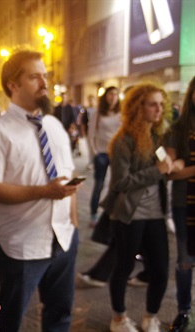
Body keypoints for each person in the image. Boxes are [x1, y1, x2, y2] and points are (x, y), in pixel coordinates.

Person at [0, 49, 80, 332]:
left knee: (61, 314)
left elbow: (68, 175)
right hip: (21, 245)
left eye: (45, 76)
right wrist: (44, 192)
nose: (44, 83)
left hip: (63, 239)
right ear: (13, 84)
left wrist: (73, 222)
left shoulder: (55, 125)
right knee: (9, 318)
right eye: (35, 77)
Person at [107, 83, 181, 332]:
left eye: (161, 104)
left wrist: (172, 167)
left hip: (156, 214)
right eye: (153, 104)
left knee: (160, 269)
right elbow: (120, 183)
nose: (159, 109)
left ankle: (151, 316)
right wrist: (155, 171)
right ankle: (118, 318)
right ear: (139, 107)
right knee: (124, 267)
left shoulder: (158, 137)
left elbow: (161, 171)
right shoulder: (123, 141)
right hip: (129, 215)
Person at [164, 76, 195, 332]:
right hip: (184, 203)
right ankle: (183, 310)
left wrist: (188, 168)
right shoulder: (178, 128)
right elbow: (171, 172)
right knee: (185, 261)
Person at [87, 86, 121, 226]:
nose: (113, 97)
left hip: (117, 154)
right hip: (102, 154)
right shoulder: (98, 113)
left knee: (116, 185)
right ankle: (93, 214)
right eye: (110, 94)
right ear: (105, 96)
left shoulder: (121, 113)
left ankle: (112, 214)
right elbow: (91, 135)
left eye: (115, 94)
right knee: (99, 185)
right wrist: (95, 153)